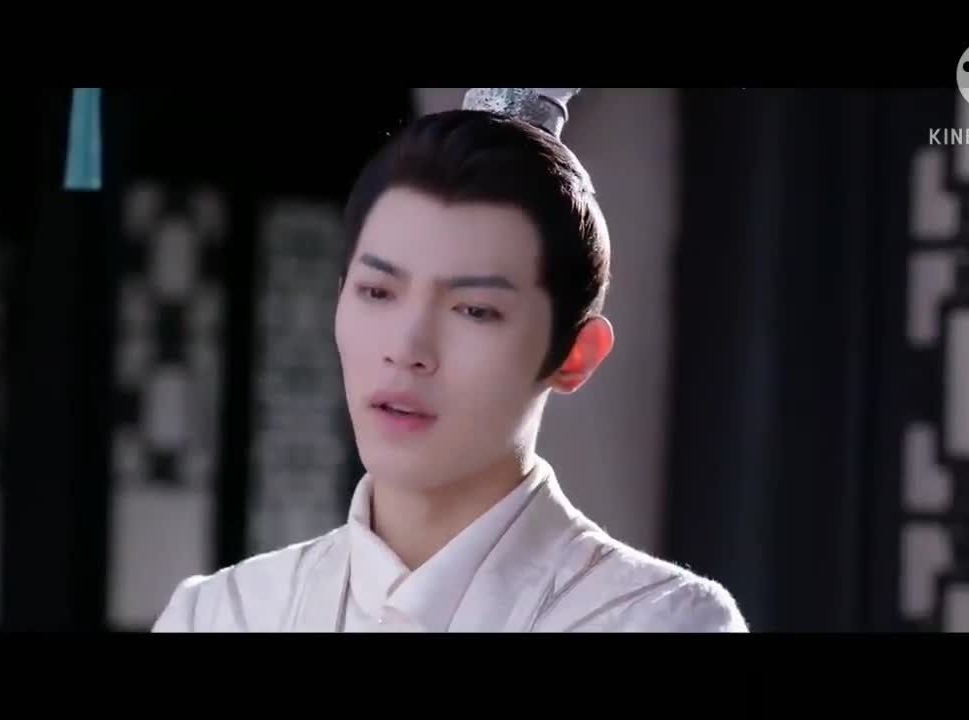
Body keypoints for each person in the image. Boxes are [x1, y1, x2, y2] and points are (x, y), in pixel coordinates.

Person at [152, 88, 748, 632]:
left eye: (475, 310)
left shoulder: (656, 620)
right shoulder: (220, 613)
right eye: (377, 292)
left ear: (574, 353)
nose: (408, 349)